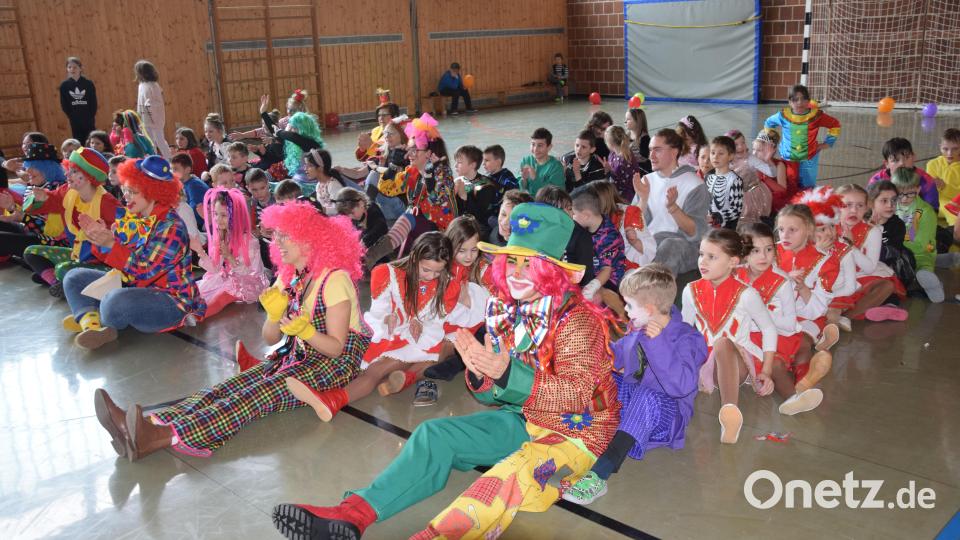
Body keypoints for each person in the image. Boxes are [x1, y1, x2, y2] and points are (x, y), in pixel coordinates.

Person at [273, 203, 619, 540]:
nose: (515, 272)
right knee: (432, 435)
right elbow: (491, 392)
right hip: (523, 417)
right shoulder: (506, 309)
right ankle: (353, 514)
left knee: (499, 483)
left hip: (577, 433)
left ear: (553, 271)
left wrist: (507, 374)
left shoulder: (579, 321)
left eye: (528, 264)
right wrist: (484, 374)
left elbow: (577, 395)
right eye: (511, 261)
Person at [93, 201, 369, 460]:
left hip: (335, 365)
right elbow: (269, 338)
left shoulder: (334, 280)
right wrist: (274, 317)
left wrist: (305, 331)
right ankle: (149, 423)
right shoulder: (289, 277)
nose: (277, 243)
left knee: (256, 394)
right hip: (299, 357)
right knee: (231, 385)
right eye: (276, 236)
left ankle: (159, 437)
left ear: (308, 239)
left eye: (286, 236)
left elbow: (336, 348)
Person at [563, 264, 707, 504]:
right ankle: (574, 430)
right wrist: (593, 348)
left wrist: (658, 343)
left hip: (666, 416)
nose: (626, 311)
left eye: (629, 305)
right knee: (600, 378)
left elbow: (681, 386)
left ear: (649, 309)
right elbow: (617, 356)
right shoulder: (638, 326)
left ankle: (600, 474)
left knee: (647, 397)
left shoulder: (688, 338)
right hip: (635, 402)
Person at [285, 232, 460, 419]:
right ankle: (332, 397)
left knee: (378, 370)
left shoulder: (448, 285)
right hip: (391, 333)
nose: (431, 276)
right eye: (426, 269)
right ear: (414, 256)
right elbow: (379, 309)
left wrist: (420, 323)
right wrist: (390, 318)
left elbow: (437, 319)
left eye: (438, 271)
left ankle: (334, 400)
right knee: (372, 370)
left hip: (423, 338)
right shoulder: (389, 274)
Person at [61, 156, 206, 349]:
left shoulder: (172, 227)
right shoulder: (133, 217)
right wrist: (101, 237)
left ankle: (98, 316)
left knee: (114, 301)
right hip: (132, 285)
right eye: (125, 190)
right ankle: (91, 323)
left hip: (172, 301)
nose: (126, 197)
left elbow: (144, 269)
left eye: (133, 192)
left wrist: (111, 244)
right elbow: (117, 257)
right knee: (73, 277)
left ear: (153, 193)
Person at [682, 229, 778, 444]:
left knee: (723, 343)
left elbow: (769, 329)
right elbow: (685, 331)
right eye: (701, 254)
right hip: (706, 366)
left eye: (712, 257)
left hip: (740, 364)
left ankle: (730, 412)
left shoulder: (747, 294)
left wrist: (767, 370)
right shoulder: (690, 290)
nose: (703, 261)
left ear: (733, 262)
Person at [736, 223, 824, 415]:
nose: (763, 256)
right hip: (745, 338)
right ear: (743, 253)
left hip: (779, 335)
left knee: (779, 361)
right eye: (755, 250)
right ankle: (804, 382)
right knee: (777, 365)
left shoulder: (782, 281)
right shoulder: (736, 275)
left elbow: (790, 324)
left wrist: (762, 317)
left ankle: (794, 398)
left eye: (768, 249)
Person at [19, 148, 119, 297]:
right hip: (76, 256)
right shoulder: (66, 192)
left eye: (73, 171)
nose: (67, 174)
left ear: (88, 176)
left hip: (103, 263)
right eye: (68, 169)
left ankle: (62, 280)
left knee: (63, 269)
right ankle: (58, 284)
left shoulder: (108, 203)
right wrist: (40, 199)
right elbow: (40, 205)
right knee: (31, 252)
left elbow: (124, 238)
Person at [775, 201, 838, 400]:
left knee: (801, 345)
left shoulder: (825, 261)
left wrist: (802, 288)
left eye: (792, 230)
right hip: (771, 315)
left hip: (806, 318)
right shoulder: (768, 253)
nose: (785, 235)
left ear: (809, 230)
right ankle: (792, 384)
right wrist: (784, 278)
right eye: (781, 229)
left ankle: (804, 381)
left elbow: (817, 310)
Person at [632, 128, 710, 275]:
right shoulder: (646, 181)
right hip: (649, 243)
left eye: (657, 150)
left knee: (670, 245)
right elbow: (633, 226)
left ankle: (651, 286)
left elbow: (696, 232)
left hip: (682, 245)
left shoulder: (695, 184)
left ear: (674, 152)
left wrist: (673, 208)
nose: (651, 156)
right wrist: (643, 200)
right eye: (650, 150)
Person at [831, 184, 908, 323]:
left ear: (867, 208)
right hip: (829, 278)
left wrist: (851, 246)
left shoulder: (873, 231)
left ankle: (847, 316)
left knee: (887, 286)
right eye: (847, 205)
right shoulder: (826, 228)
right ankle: (839, 311)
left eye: (860, 205)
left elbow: (869, 268)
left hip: (859, 276)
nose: (854, 210)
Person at [191, 188, 269, 319]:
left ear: (235, 216)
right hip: (227, 278)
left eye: (223, 215)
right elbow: (215, 269)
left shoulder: (249, 240)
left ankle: (196, 316)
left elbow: (247, 271)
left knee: (220, 297)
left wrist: (229, 256)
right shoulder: (222, 235)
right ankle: (183, 311)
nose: (217, 219)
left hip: (248, 283)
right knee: (198, 290)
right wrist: (199, 251)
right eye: (215, 214)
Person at [764, 84, 841, 189]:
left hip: (809, 157)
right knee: (789, 184)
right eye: (795, 99)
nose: (800, 102)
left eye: (803, 99)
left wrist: (827, 143)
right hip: (788, 157)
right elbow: (769, 124)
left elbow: (835, 124)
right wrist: (772, 141)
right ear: (790, 102)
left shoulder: (816, 116)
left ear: (808, 101)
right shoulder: (783, 116)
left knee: (808, 186)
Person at [0, 142, 67, 261]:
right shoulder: (33, 186)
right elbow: (28, 215)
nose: (28, 171)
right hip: (32, 232)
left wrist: (20, 217)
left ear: (48, 168)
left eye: (34, 167)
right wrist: (12, 209)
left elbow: (51, 231)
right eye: (27, 166)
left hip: (49, 242)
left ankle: (41, 263)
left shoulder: (58, 189)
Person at [571, 186, 626, 316]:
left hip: (609, 279)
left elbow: (606, 271)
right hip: (590, 275)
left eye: (573, 213)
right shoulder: (583, 229)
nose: (571, 217)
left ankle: (620, 319)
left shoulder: (609, 235)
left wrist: (591, 288)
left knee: (594, 297)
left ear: (585, 215)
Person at [891, 168, 944, 303]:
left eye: (909, 194)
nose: (903, 199)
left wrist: (893, 243)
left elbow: (919, 243)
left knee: (923, 264)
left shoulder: (924, 211)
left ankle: (930, 280)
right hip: (896, 250)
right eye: (899, 194)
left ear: (918, 190)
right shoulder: (889, 205)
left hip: (919, 252)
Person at [534, 186, 595, 287]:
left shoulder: (580, 236)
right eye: (569, 209)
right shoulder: (536, 233)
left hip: (570, 290)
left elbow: (586, 276)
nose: (573, 213)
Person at [868, 181, 920, 297]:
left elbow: (888, 255)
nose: (890, 205)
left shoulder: (897, 225)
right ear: (871, 203)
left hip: (886, 265)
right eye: (884, 201)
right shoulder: (862, 221)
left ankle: (890, 301)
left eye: (894, 200)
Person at [868, 137, 939, 212]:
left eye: (906, 158)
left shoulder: (925, 180)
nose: (902, 163)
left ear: (914, 157)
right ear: (886, 164)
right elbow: (869, 207)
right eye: (895, 160)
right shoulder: (877, 181)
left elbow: (932, 209)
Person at [727, 129, 769, 227]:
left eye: (743, 142)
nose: (741, 146)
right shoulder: (726, 161)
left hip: (751, 194)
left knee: (750, 221)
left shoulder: (750, 159)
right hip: (734, 195)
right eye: (736, 144)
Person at [452, 145, 495, 239]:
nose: (455, 165)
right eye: (456, 162)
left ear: (473, 165)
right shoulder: (458, 181)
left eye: (459, 162)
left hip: (480, 228)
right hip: (460, 224)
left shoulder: (486, 185)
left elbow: (480, 216)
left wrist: (464, 196)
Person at [704, 135, 744, 230]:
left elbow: (736, 209)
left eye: (721, 153)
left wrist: (715, 217)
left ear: (731, 156)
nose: (715, 157)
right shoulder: (708, 176)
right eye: (712, 153)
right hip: (705, 225)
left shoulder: (735, 181)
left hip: (725, 229)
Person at [135, 60, 171, 158]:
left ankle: (170, 160)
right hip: (145, 120)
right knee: (149, 143)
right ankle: (154, 159)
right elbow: (141, 103)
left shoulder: (153, 86)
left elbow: (154, 103)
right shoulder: (141, 85)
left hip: (154, 120)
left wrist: (154, 118)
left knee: (160, 141)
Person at [751, 128, 793, 215]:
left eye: (759, 150)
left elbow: (782, 191)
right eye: (753, 149)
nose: (754, 153)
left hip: (771, 204)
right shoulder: (752, 162)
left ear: (772, 150)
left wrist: (765, 178)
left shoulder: (779, 165)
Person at [481, 145, 519, 236]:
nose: (483, 164)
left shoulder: (508, 178)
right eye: (483, 160)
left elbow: (514, 199)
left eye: (487, 160)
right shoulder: (487, 178)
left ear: (498, 162)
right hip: (490, 216)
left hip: (502, 219)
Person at [927, 128, 960, 228]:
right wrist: (934, 186)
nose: (950, 153)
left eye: (955, 149)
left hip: (954, 204)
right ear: (940, 147)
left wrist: (944, 187)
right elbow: (928, 191)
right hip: (934, 203)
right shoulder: (932, 164)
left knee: (955, 216)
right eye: (945, 149)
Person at [59, 57, 98, 143]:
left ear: (80, 68)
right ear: (67, 69)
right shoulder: (64, 85)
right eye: (69, 67)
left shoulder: (88, 84)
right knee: (78, 141)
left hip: (88, 118)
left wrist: (90, 115)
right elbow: (64, 104)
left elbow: (93, 102)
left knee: (91, 139)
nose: (72, 69)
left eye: (75, 67)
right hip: (75, 119)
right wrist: (72, 116)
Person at [519, 127, 564, 195]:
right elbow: (521, 189)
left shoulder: (556, 167)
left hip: (546, 204)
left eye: (540, 145)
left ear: (549, 147)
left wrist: (535, 178)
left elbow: (556, 195)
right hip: (527, 201)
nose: (535, 149)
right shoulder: (526, 161)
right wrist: (523, 179)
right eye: (533, 144)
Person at [605, 126, 645, 201]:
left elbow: (620, 182)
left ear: (609, 142)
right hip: (625, 192)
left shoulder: (624, 159)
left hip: (627, 196)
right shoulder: (613, 154)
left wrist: (608, 171)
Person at [169, 153, 209, 228]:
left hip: (203, 226)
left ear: (187, 170)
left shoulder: (194, 186)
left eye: (175, 169)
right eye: (171, 169)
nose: (172, 172)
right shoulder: (186, 182)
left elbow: (194, 213)